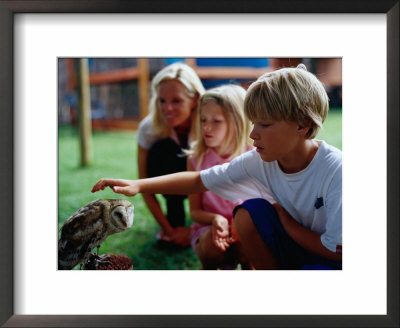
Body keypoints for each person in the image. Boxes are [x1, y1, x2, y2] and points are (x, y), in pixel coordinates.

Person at [92, 64, 342, 270]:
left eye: (264, 125)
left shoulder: (336, 171)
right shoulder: (260, 160)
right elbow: (199, 180)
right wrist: (138, 184)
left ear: (302, 125)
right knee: (249, 211)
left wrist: (285, 222)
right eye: (253, 123)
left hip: (329, 262)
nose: (253, 135)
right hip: (293, 250)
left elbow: (339, 252)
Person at [137, 62, 205, 247]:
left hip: (206, 185)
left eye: (176, 100)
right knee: (163, 149)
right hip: (173, 184)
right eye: (162, 100)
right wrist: (170, 232)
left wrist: (194, 231)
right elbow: (144, 185)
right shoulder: (148, 128)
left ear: (194, 100)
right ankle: (174, 223)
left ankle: (204, 221)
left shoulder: (211, 122)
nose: (167, 108)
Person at [185, 84, 253, 269]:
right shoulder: (196, 159)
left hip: (246, 228)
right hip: (209, 228)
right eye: (203, 119)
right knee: (212, 247)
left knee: (250, 240)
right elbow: (194, 211)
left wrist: (240, 225)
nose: (206, 127)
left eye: (216, 121)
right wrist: (216, 220)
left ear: (237, 122)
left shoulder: (255, 156)